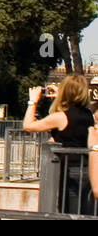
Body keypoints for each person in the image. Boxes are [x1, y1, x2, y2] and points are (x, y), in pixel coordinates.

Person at [26, 75, 95, 214]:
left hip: (68, 170)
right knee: (85, 211)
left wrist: (32, 102)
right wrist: (61, 95)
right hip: (87, 168)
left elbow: (28, 125)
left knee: (69, 212)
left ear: (65, 92)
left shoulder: (61, 117)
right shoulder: (89, 114)